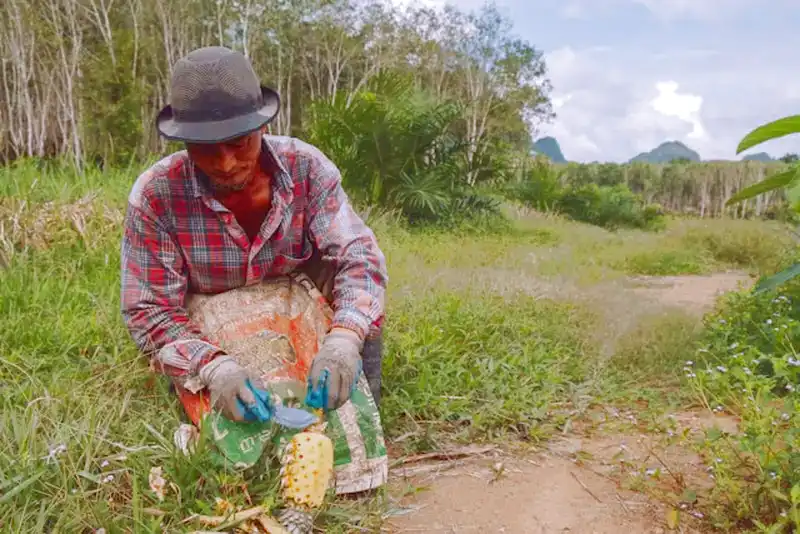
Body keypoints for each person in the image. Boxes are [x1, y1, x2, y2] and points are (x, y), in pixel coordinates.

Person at [119, 46, 388, 424]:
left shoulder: (307, 168)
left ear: (262, 127)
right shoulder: (156, 194)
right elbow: (147, 308)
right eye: (205, 149)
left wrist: (345, 338)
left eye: (239, 142)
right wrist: (214, 368)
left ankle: (358, 401)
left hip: (295, 293)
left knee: (354, 309)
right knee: (213, 426)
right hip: (209, 311)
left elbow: (359, 257)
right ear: (184, 143)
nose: (226, 163)